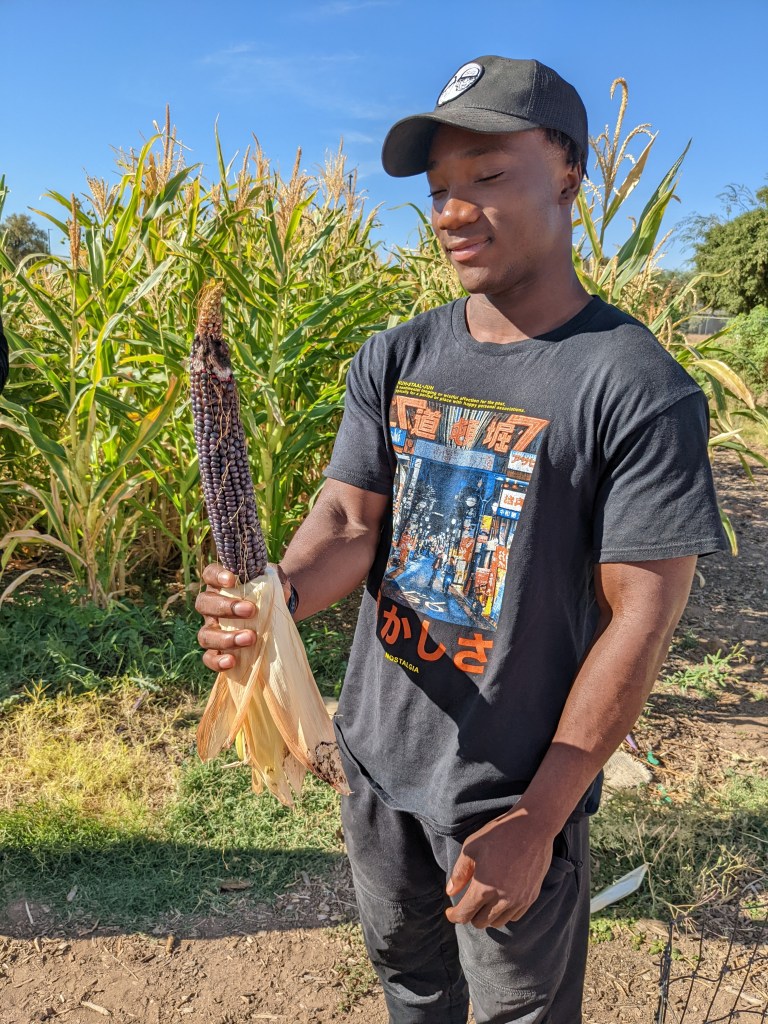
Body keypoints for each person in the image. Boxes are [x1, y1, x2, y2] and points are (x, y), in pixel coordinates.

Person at [196, 55, 727, 1023]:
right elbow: (350, 525)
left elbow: (642, 615)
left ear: (568, 171)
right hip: (376, 767)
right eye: (441, 189)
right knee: (412, 991)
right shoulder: (397, 355)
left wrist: (543, 813)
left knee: (521, 1011)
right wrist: (275, 597)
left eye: (487, 178)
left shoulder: (633, 385)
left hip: (511, 797)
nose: (451, 211)